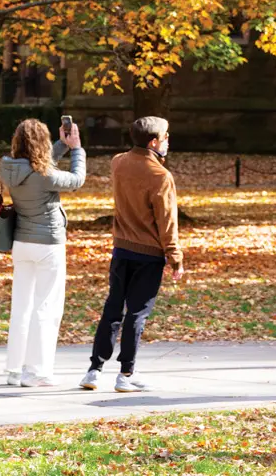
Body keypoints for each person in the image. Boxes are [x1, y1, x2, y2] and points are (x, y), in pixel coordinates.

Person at [79, 116, 183, 393]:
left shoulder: (118, 163)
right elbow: (167, 220)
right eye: (166, 137)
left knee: (113, 308)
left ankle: (94, 370)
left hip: (121, 249)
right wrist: (175, 256)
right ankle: (126, 372)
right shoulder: (161, 176)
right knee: (136, 314)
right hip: (148, 254)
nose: (168, 141)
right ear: (153, 142)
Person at [1, 119, 86, 387]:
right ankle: (37, 371)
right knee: (46, 306)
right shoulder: (45, 175)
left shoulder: (9, 168)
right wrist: (77, 150)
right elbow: (76, 180)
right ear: (41, 143)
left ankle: (15, 369)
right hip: (48, 244)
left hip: (21, 243)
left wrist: (62, 144)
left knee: (22, 307)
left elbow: (38, 163)